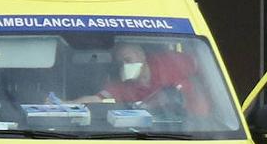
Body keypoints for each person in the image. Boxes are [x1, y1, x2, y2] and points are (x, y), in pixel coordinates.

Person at [75, 42, 209, 116]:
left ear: (141, 55)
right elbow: (96, 99)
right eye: (120, 63)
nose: (124, 66)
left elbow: (207, 69)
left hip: (196, 125)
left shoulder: (170, 61)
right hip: (153, 130)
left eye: (128, 60)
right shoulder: (122, 85)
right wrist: (64, 104)